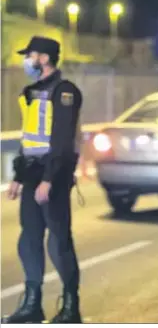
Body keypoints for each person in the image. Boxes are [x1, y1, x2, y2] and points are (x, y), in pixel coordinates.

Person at [2, 36, 83, 324]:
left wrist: (49, 179)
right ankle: (32, 305)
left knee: (59, 242)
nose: (27, 61)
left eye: (31, 55)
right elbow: (30, 138)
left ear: (45, 58)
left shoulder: (64, 92)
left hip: (54, 175)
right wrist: (19, 176)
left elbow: (61, 140)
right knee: (29, 239)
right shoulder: (32, 92)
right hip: (33, 173)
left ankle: (71, 308)